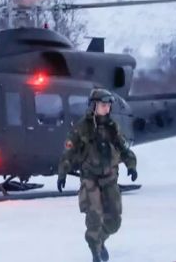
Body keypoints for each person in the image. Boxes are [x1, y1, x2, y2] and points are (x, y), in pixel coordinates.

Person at [57, 88, 138, 262]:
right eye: (103, 105)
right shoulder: (81, 128)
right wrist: (62, 172)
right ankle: (95, 251)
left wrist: (131, 165)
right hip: (90, 180)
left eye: (108, 106)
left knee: (114, 221)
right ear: (93, 106)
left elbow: (123, 148)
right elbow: (68, 152)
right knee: (94, 218)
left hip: (110, 179)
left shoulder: (112, 127)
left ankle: (100, 241)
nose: (106, 109)